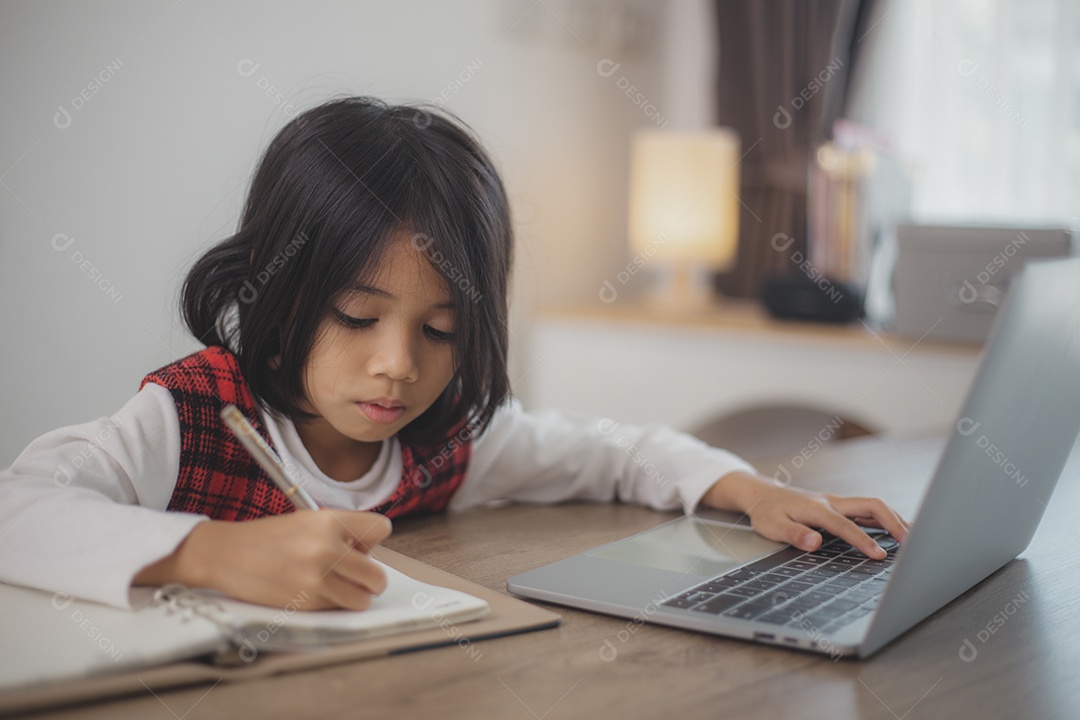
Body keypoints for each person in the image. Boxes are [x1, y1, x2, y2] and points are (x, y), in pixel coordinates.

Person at [0, 97, 908, 612]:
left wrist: (751, 491)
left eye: (441, 330)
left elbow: (622, 452)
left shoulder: (448, 439)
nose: (400, 365)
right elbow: (19, 509)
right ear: (275, 295)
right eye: (357, 317)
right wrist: (205, 555)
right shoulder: (193, 417)